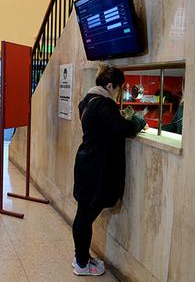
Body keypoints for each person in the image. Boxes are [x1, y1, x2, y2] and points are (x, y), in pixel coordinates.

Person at [72, 65, 146, 276]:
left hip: (86, 163)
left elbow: (105, 128)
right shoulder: (104, 104)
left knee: (83, 215)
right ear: (110, 85)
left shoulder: (87, 101)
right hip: (96, 168)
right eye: (119, 88)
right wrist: (137, 120)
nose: (119, 93)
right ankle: (82, 263)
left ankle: (81, 257)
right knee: (85, 217)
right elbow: (124, 129)